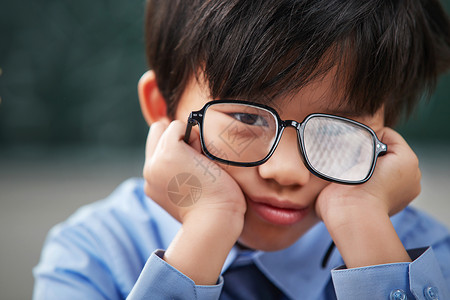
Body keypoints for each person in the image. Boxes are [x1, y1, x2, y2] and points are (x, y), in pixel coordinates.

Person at [34, 0, 450, 299]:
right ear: (163, 106)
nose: (287, 171)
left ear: (383, 131)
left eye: (337, 128)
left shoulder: (427, 255)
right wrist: (207, 227)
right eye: (247, 118)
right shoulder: (93, 255)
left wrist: (362, 225)